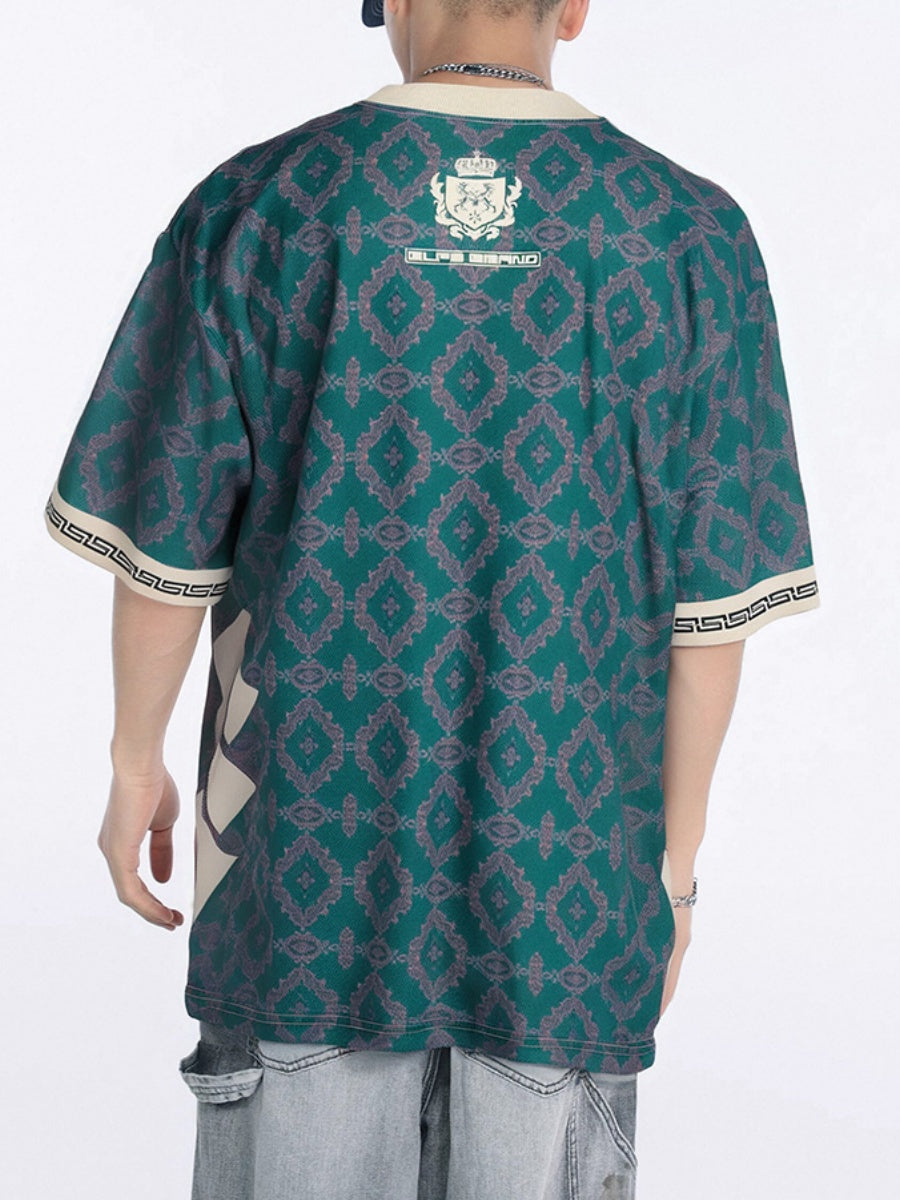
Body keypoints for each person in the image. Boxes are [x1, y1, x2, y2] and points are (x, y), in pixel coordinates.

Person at [42, 0, 820, 1196]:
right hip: (564, 911)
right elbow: (711, 612)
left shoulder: (261, 206)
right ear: (575, 6)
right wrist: (673, 870)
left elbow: (165, 550)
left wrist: (133, 761)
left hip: (301, 884)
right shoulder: (688, 234)